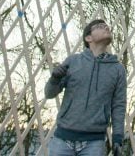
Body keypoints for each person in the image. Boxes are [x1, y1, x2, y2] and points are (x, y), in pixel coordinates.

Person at [46, 19, 127, 156]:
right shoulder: (73, 61)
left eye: (107, 26)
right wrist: (54, 79)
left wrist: (118, 137)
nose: (106, 27)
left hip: (94, 143)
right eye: (100, 26)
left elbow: (118, 105)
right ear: (88, 38)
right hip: (62, 139)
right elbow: (49, 93)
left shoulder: (117, 69)